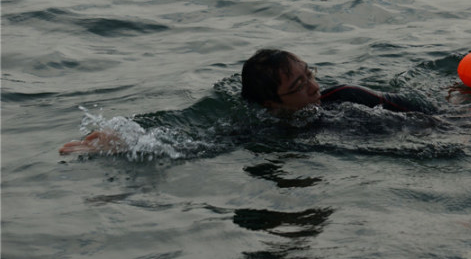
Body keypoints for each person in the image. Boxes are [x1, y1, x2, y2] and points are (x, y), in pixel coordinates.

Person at [59, 49, 433, 155]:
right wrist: (124, 141)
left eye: (310, 74)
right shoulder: (263, 131)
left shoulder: (349, 97)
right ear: (272, 104)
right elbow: (199, 144)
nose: (313, 87)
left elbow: (428, 116)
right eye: (299, 85)